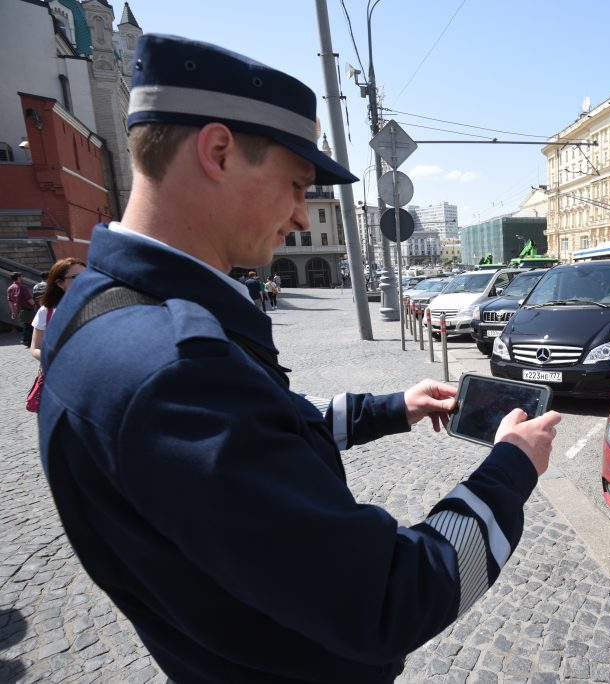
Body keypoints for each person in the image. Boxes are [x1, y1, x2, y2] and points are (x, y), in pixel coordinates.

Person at [37, 34, 560, 683]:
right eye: (295, 185)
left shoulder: (100, 307)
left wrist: (392, 408)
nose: (299, 218)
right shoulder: (176, 371)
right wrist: (511, 467)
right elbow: (389, 601)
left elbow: (261, 432)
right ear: (220, 151)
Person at [29, 258, 86, 361]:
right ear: (60, 283)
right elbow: (36, 348)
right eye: (76, 277)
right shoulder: (46, 312)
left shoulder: (103, 305)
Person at [7, 272, 36, 347]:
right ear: (19, 277)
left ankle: (25, 340)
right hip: (27, 308)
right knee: (30, 326)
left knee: (26, 325)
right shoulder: (23, 287)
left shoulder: (10, 288)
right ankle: (27, 341)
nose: (22, 278)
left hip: (19, 310)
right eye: (21, 276)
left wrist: (13, 312)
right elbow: (29, 299)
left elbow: (10, 301)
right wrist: (35, 305)